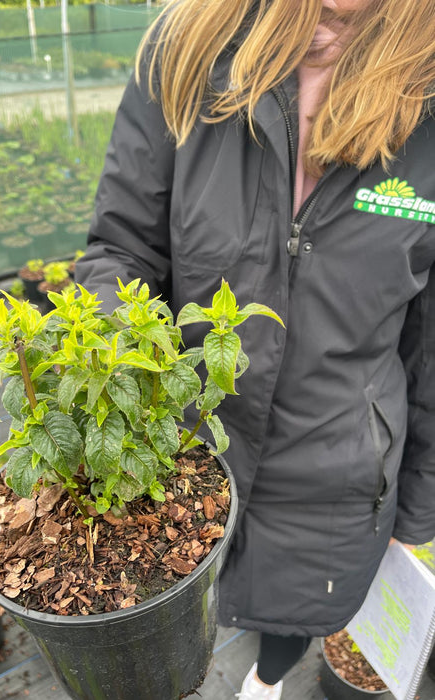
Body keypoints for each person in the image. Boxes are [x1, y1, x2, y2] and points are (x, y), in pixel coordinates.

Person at [75, 0, 435, 697]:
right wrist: (115, 386)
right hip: (179, 445)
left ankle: (265, 686)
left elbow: (428, 343)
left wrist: (417, 504)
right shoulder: (191, 42)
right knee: (159, 616)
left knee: (293, 615)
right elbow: (121, 247)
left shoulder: (426, 88)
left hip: (339, 468)